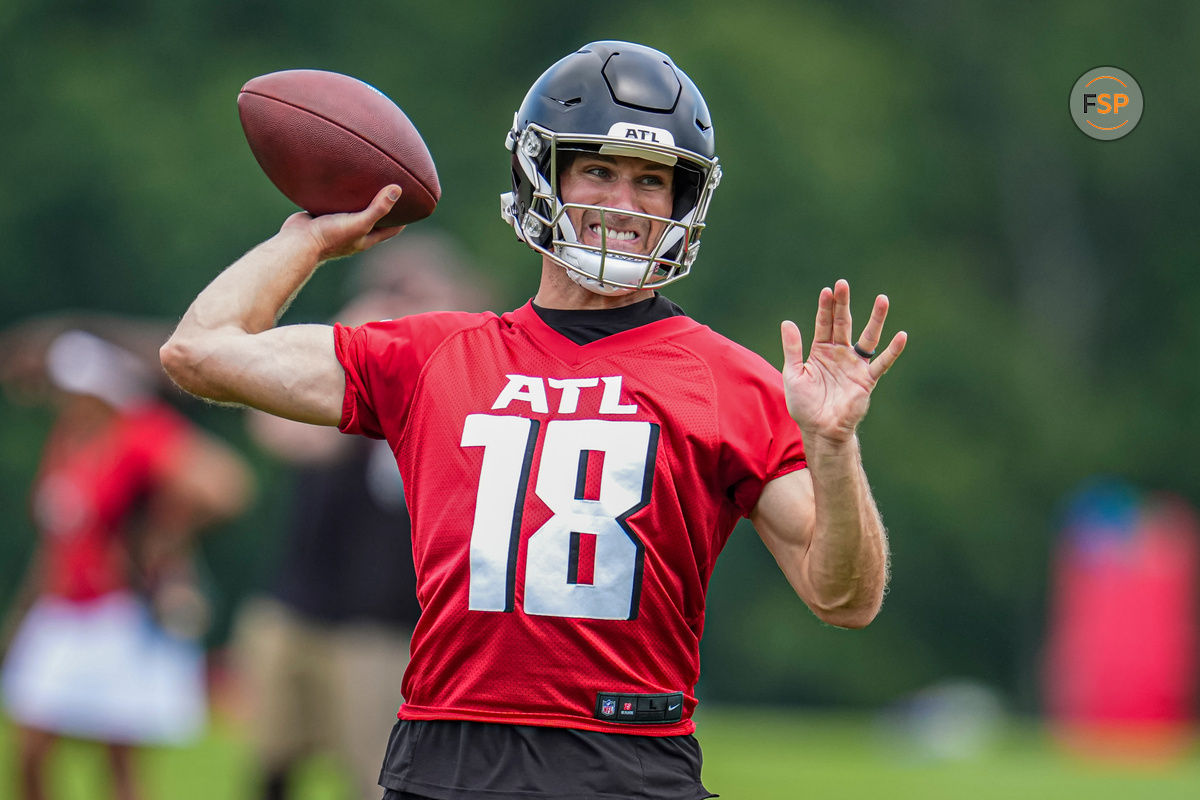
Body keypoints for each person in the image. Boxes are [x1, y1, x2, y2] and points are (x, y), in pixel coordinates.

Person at [161, 40, 906, 800]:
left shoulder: (727, 380)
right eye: (599, 171)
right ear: (541, 176)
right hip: (443, 757)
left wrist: (835, 447)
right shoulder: (435, 354)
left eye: (652, 180)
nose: (624, 202)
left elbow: (844, 597)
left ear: (683, 203)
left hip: (629, 760)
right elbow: (201, 350)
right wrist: (309, 241)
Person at [232, 234, 490, 800]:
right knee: (270, 761)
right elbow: (280, 433)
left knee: (374, 775)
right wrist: (360, 332)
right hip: (295, 602)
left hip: (383, 622)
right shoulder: (347, 375)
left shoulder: (469, 388)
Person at [1, 326, 254, 800]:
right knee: (30, 750)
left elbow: (224, 487)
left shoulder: (138, 432)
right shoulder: (68, 442)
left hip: (116, 613)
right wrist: (22, 614)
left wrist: (164, 530)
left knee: (118, 759)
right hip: (62, 609)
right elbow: (56, 541)